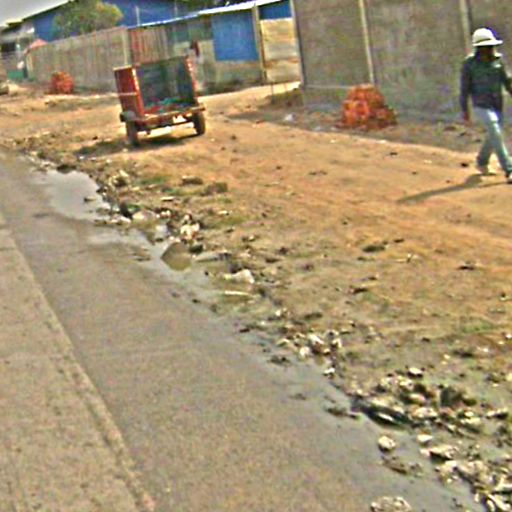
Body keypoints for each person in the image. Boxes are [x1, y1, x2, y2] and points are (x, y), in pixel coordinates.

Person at [460, 27, 512, 181]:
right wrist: (465, 110)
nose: (489, 50)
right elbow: (465, 88)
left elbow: (506, 82)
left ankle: (482, 161)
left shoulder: (498, 61)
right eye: (485, 47)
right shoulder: (469, 64)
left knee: (493, 134)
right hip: (481, 105)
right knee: (495, 130)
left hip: (497, 104)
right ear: (478, 48)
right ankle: (509, 168)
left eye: (490, 46)